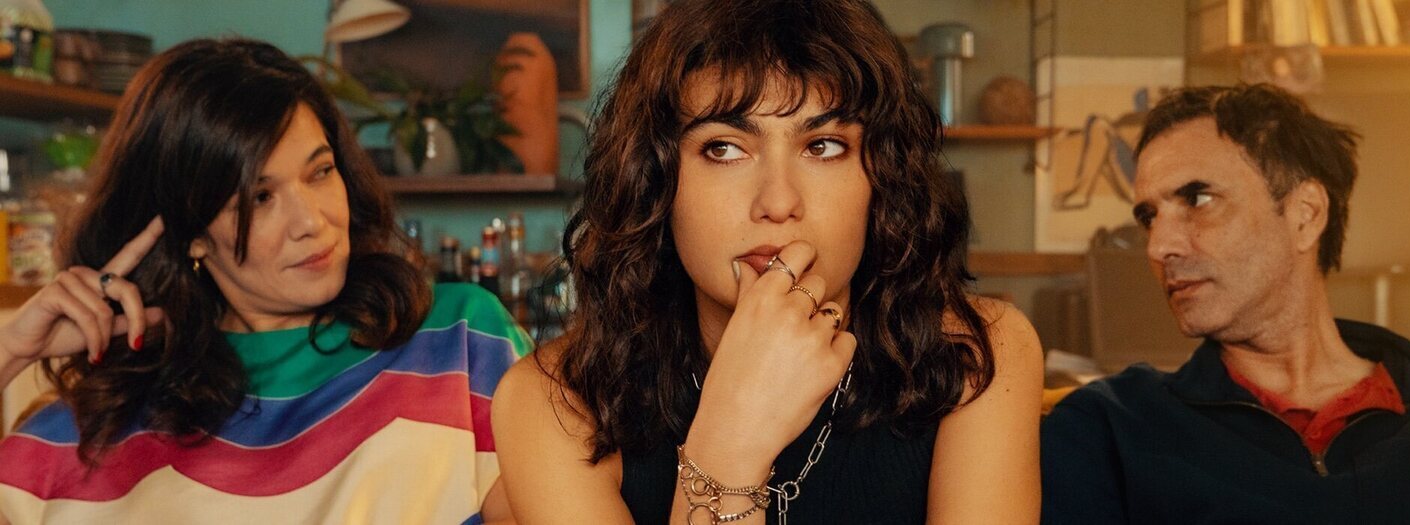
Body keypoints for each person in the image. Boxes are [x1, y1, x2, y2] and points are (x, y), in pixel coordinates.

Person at [490, 0, 1044, 523]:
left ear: (882, 180)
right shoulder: (553, 400)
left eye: (823, 146)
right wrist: (731, 439)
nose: (778, 202)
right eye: (724, 148)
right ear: (656, 182)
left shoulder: (980, 354)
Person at [0, 39, 529, 523]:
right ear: (192, 233)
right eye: (260, 197)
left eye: (320, 171)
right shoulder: (89, 436)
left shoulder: (461, 341)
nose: (311, 221)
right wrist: (9, 351)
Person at [1040, 84, 1410, 523]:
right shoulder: (1109, 428)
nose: (1159, 247)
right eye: (1149, 217)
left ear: (1306, 215)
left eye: (1198, 199)